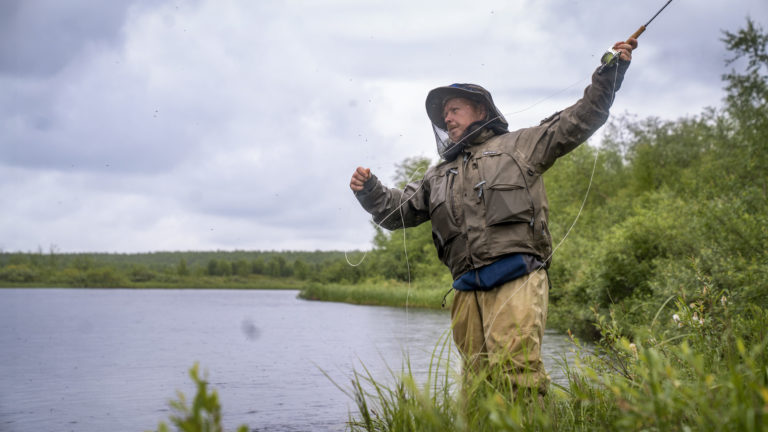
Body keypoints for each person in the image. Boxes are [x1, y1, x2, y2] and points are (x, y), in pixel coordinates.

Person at [350, 39, 637, 396]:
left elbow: (583, 116)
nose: (447, 119)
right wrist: (370, 190)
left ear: (481, 111)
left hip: (516, 278)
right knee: (476, 387)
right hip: (466, 292)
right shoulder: (437, 175)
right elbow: (396, 213)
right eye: (444, 116)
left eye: (454, 110)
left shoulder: (521, 146)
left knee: (518, 377)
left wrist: (611, 70)